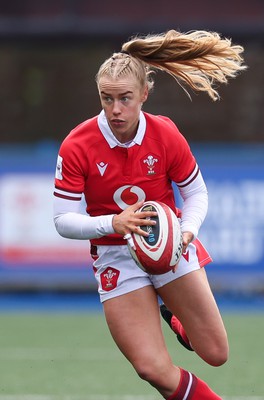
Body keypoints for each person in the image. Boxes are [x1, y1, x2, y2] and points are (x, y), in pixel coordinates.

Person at [53, 29, 246, 399]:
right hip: (114, 255)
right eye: (107, 99)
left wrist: (186, 231)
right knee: (151, 369)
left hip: (169, 246)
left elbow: (195, 193)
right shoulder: (77, 144)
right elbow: (62, 220)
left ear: (144, 94)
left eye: (125, 98)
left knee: (216, 354)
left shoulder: (165, 134)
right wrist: (114, 223)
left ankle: (174, 315)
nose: (115, 110)